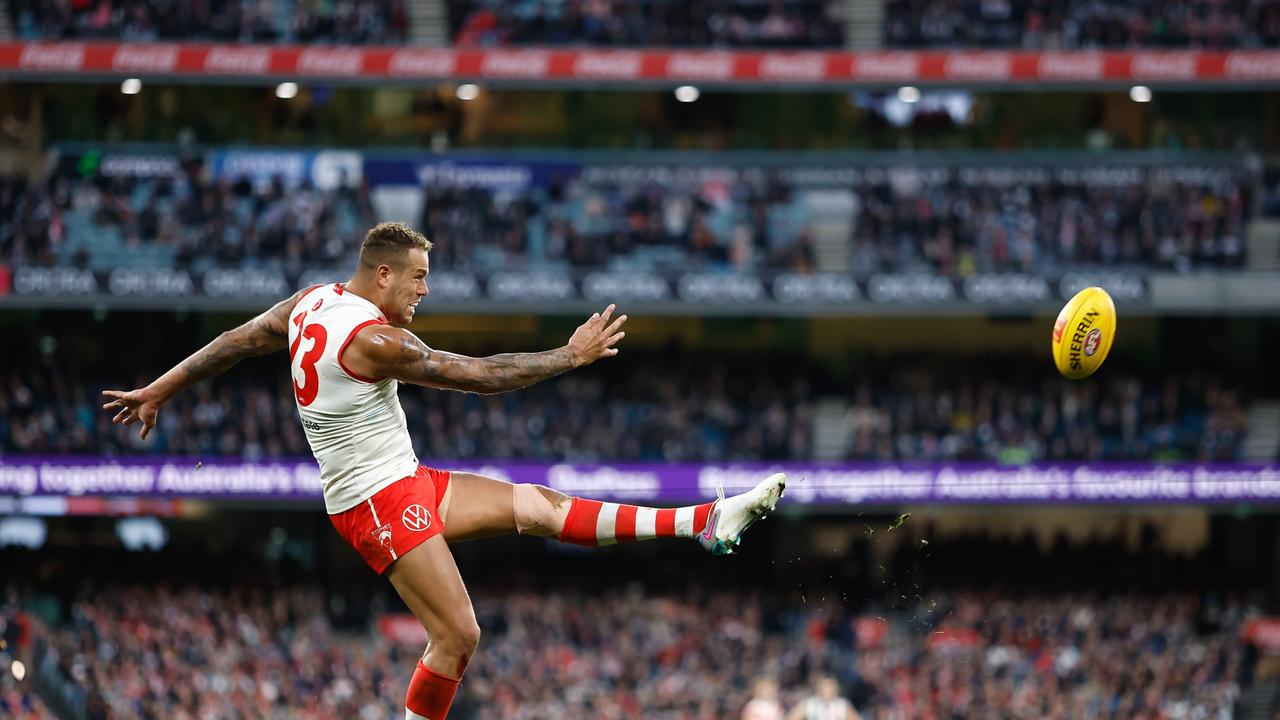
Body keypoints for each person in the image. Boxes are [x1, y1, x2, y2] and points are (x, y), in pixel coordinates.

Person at [101, 222, 786, 720]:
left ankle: (704, 520)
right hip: (374, 500)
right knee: (459, 635)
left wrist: (161, 388)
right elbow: (483, 376)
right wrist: (570, 356)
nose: (426, 288)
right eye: (419, 276)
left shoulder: (314, 302)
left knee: (538, 505)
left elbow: (237, 341)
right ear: (383, 275)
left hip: (402, 479)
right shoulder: (374, 340)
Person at [786, 676, 861, 720]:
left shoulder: (842, 705)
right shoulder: (809, 703)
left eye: (831, 689)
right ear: (818, 690)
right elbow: (791, 717)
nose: (827, 692)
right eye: (824, 687)